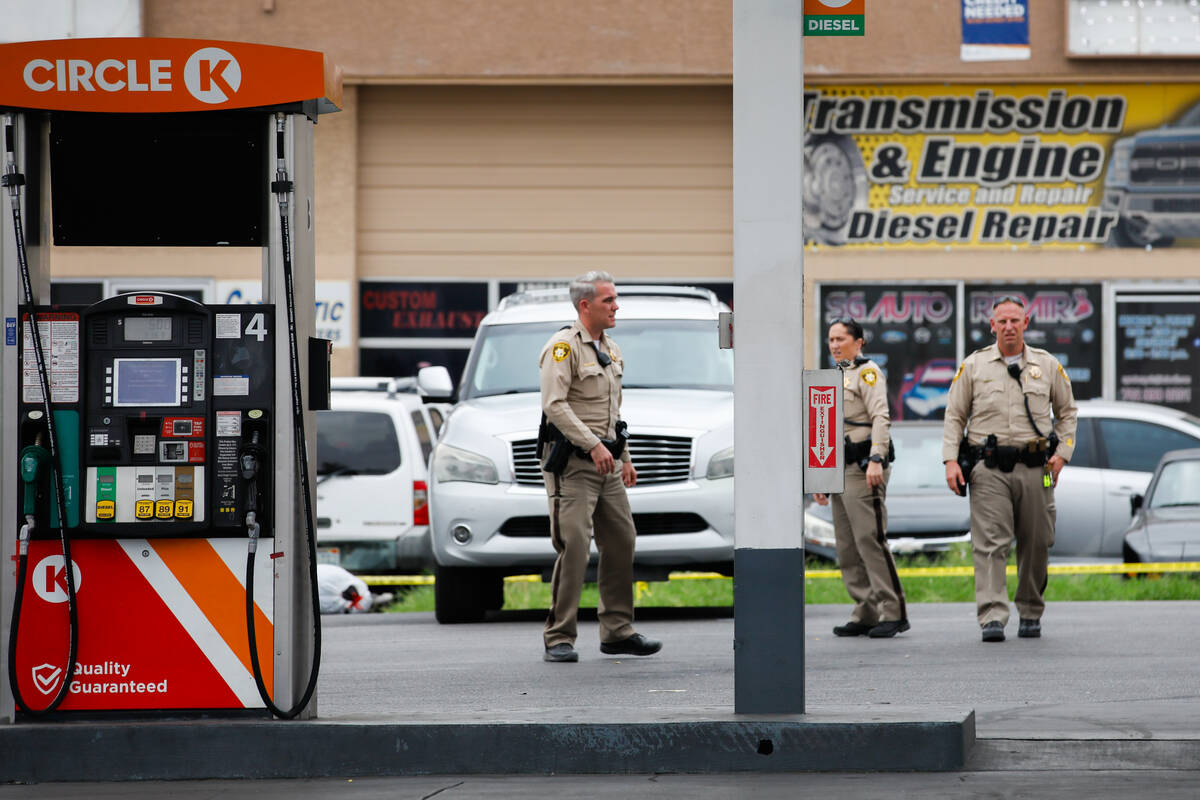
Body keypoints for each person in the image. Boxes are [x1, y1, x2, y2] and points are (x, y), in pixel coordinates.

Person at [537, 271, 662, 663]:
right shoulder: (563, 347)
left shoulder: (610, 348)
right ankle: (560, 636)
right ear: (585, 305)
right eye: (608, 300)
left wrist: (623, 456)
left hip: (607, 463)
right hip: (573, 465)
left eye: (615, 299)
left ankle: (618, 630)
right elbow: (555, 405)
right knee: (574, 545)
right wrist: (592, 445)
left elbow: (612, 411)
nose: (616, 306)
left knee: (622, 539)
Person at [942, 296, 1078, 643]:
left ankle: (1031, 611)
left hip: (1039, 467)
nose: (1008, 327)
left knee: (1037, 542)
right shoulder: (974, 366)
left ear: (1026, 323)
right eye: (1002, 321)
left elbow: (1067, 413)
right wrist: (950, 460)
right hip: (988, 469)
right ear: (992, 325)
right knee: (990, 544)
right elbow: (955, 416)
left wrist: (1062, 455)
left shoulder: (1047, 366)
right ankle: (992, 616)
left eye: (1015, 320)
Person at [812, 319, 909, 639]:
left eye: (841, 339)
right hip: (837, 469)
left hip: (862, 466)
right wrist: (820, 478)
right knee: (847, 546)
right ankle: (865, 610)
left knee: (870, 540)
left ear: (859, 342)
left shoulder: (868, 373)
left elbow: (881, 416)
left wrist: (877, 458)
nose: (835, 345)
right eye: (831, 339)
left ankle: (893, 611)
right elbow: (823, 427)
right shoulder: (832, 377)